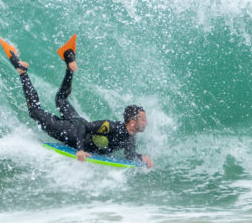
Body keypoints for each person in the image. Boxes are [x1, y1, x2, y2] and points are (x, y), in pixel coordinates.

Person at [9, 48, 153, 169]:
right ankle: (23, 72)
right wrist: (80, 149)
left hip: (77, 122)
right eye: (143, 119)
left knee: (61, 99)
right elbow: (85, 127)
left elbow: (130, 155)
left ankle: (69, 65)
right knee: (34, 111)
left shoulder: (130, 137)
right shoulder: (113, 127)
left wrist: (142, 158)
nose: (146, 122)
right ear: (132, 122)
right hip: (71, 131)